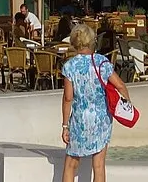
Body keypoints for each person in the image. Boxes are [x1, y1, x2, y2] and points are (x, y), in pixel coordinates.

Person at [60, 22, 130, 182]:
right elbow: (120, 85)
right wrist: (126, 105)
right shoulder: (101, 62)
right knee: (98, 165)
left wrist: (65, 126)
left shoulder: (70, 66)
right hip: (101, 118)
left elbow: (68, 98)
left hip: (79, 119)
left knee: (71, 164)